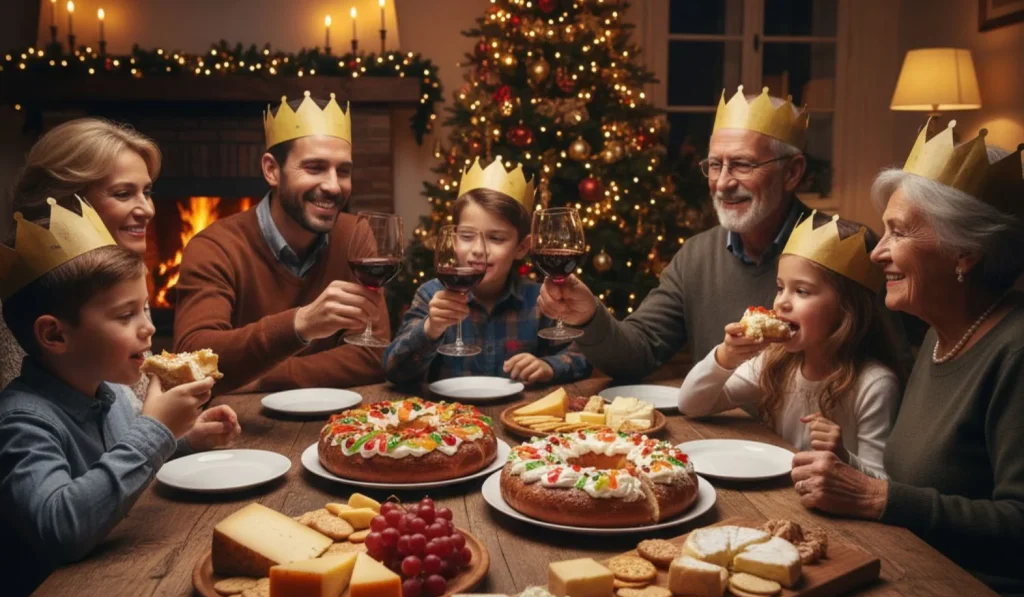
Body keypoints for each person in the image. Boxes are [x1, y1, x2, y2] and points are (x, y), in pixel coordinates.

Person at [789, 120, 1024, 597]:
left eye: (897, 232)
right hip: (915, 572)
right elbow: (924, 484)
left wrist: (875, 497)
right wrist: (848, 469)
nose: (877, 253)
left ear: (966, 253)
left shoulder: (1014, 352)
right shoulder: (941, 337)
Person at [538, 86, 912, 379]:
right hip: (722, 450)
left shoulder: (846, 247)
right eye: (715, 165)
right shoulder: (697, 256)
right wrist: (589, 317)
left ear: (793, 173)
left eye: (743, 164)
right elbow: (638, 354)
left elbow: (897, 366)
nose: (723, 183)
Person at [0, 197, 240, 597]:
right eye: (127, 314)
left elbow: (121, 461)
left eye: (145, 307)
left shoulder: (106, 391)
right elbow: (61, 528)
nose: (148, 326)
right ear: (54, 335)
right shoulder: (22, 421)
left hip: (125, 579)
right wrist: (155, 430)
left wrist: (187, 439)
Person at [173, 92, 388, 394]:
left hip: (336, 421)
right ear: (272, 170)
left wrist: (263, 378)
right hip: (241, 425)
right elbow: (194, 357)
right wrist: (301, 324)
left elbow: (373, 353)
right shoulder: (214, 247)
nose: (333, 185)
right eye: (314, 168)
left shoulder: (355, 235)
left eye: (344, 171)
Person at [678, 212, 903, 479]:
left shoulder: (874, 385)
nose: (782, 303)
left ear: (847, 309)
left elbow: (881, 483)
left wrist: (843, 456)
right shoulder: (774, 362)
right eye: (780, 287)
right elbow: (691, 404)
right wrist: (725, 356)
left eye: (802, 291)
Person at [383, 158, 591, 384]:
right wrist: (430, 329)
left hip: (515, 414)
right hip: (449, 415)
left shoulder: (540, 300)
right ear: (453, 240)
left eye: (496, 238)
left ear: (522, 247)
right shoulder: (431, 295)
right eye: (466, 236)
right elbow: (393, 369)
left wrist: (549, 366)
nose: (478, 250)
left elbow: (583, 356)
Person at [0, 117, 161, 394]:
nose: (147, 210)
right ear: (64, 202)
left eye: (146, 192)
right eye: (123, 194)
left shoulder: (124, 283)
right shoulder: (22, 302)